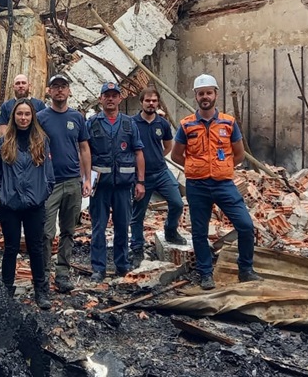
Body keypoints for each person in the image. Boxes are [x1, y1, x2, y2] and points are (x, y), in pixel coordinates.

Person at [171, 74, 261, 290]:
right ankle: (205, 274)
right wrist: (194, 167)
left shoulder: (228, 123)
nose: (205, 97)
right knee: (199, 232)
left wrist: (224, 168)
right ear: (195, 96)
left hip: (223, 184)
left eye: (209, 93)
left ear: (215, 95)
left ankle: (246, 270)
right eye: (201, 93)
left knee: (246, 226)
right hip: (197, 185)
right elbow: (176, 155)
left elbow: (238, 154)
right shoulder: (186, 125)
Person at [0, 99, 55, 309]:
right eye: (20, 114)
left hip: (35, 204)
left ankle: (41, 291)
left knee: (36, 248)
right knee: (11, 248)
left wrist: (42, 194)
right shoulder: (3, 142)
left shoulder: (41, 141)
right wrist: (0, 195)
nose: (23, 118)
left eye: (27, 114)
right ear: (13, 117)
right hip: (10, 204)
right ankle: (6, 290)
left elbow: (49, 174)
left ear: (32, 117)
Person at [36, 74, 91, 293]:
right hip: (50, 184)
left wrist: (86, 179)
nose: (60, 90)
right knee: (47, 233)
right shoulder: (40, 117)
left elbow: (84, 148)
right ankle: (43, 276)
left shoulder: (77, 117)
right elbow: (34, 147)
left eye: (63, 87)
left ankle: (63, 274)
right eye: (55, 87)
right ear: (49, 91)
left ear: (69, 91)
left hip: (73, 182)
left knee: (69, 230)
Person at [86, 82, 145, 282]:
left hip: (123, 185)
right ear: (101, 98)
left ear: (120, 98)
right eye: (107, 95)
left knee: (122, 226)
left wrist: (140, 182)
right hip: (100, 187)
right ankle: (98, 268)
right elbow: (84, 152)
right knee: (98, 228)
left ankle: (122, 265)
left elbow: (138, 152)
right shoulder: (92, 123)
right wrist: (86, 179)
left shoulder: (129, 124)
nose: (110, 99)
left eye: (114, 95)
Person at [130, 88, 186, 268]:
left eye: (154, 101)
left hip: (161, 172)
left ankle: (171, 231)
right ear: (141, 102)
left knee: (177, 202)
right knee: (138, 214)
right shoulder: (132, 124)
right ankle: (137, 248)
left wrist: (156, 157)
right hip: (141, 177)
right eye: (148, 101)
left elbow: (168, 146)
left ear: (158, 103)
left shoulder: (162, 123)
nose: (151, 104)